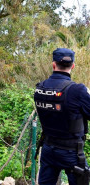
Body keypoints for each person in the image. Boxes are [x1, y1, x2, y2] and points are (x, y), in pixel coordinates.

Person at [34, 48, 90, 185]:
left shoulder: (40, 88)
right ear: (73, 66)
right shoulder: (78, 90)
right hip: (72, 152)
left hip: (48, 149)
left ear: (53, 65)